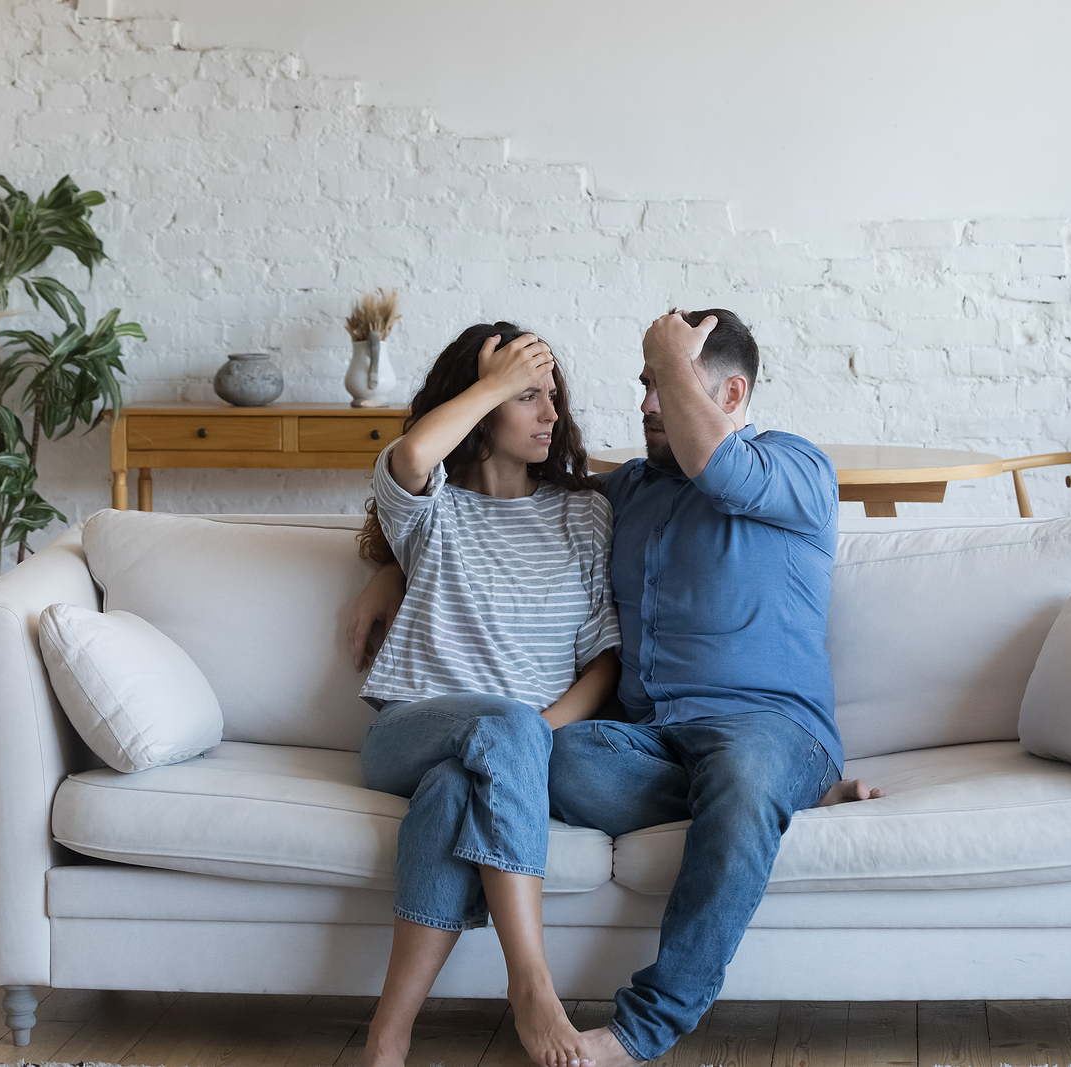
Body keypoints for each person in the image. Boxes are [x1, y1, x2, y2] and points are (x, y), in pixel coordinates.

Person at [350, 309, 880, 1067]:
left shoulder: (796, 469)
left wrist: (668, 350)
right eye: (644, 383)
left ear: (731, 395)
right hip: (646, 742)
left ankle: (643, 1027)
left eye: (666, 384)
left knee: (741, 770)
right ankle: (766, 805)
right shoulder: (623, 493)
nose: (646, 405)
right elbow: (486, 505)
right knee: (542, 760)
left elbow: (717, 467)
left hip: (761, 725)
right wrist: (393, 566)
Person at [355, 322, 621, 1067]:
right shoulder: (432, 508)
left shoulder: (582, 512)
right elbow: (409, 455)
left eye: (552, 397)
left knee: (449, 794)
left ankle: (388, 1036)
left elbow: (604, 659)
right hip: (407, 730)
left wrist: (531, 734)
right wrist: (495, 379)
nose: (548, 414)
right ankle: (531, 986)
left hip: (514, 743)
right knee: (486, 738)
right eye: (525, 396)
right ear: (480, 405)